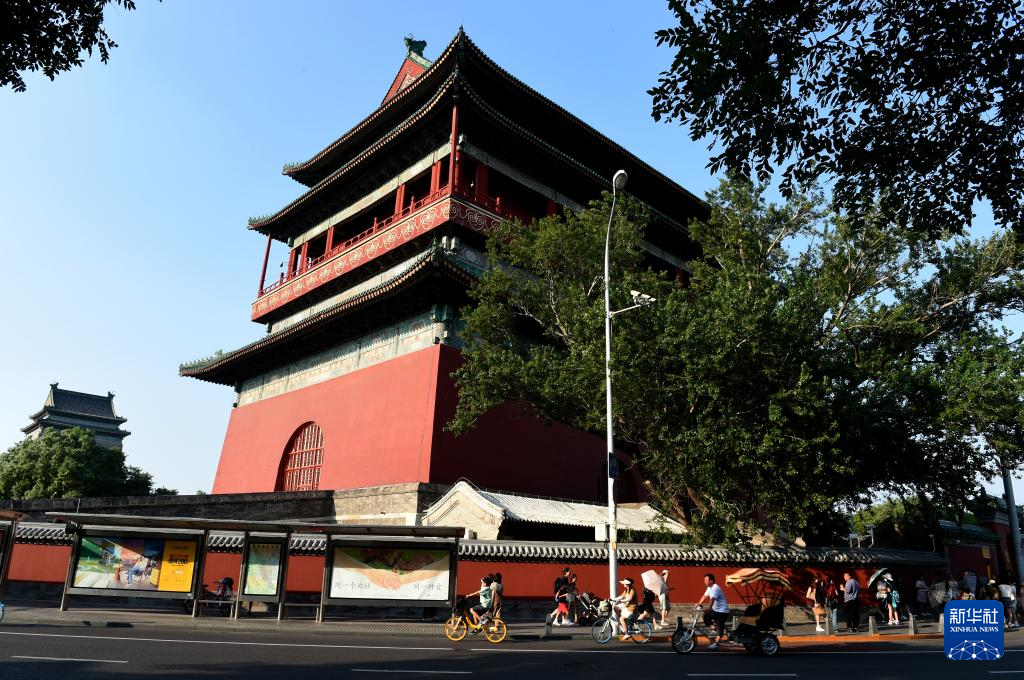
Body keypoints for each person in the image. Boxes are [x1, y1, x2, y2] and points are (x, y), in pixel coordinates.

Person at [696, 573, 730, 650]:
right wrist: (699, 603)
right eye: (704, 580)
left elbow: (711, 601)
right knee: (706, 616)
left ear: (711, 581)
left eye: (706, 580)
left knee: (719, 624)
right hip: (716, 610)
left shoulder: (715, 588)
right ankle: (714, 628)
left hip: (722, 611)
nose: (704, 581)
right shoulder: (709, 588)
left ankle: (716, 644)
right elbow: (705, 596)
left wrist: (708, 608)